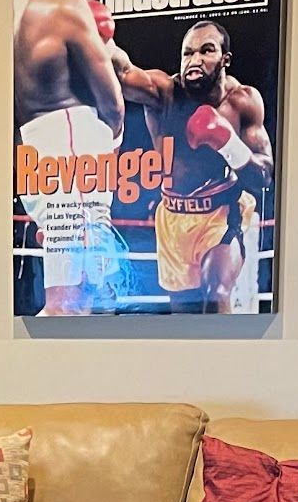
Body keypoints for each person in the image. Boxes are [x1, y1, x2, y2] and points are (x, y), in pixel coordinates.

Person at [114, 19, 272, 311]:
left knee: (216, 293)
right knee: (183, 317)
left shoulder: (242, 102)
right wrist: (100, 38)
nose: (194, 60)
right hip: (173, 217)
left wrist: (226, 142)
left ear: (225, 60)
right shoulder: (164, 94)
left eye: (206, 51)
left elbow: (263, 176)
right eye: (188, 53)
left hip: (222, 213)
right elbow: (122, 74)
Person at [12, 0, 127, 312]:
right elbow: (113, 103)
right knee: (77, 302)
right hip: (76, 156)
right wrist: (110, 148)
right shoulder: (68, 5)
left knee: (72, 299)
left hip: (35, 160)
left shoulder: (6, 10)